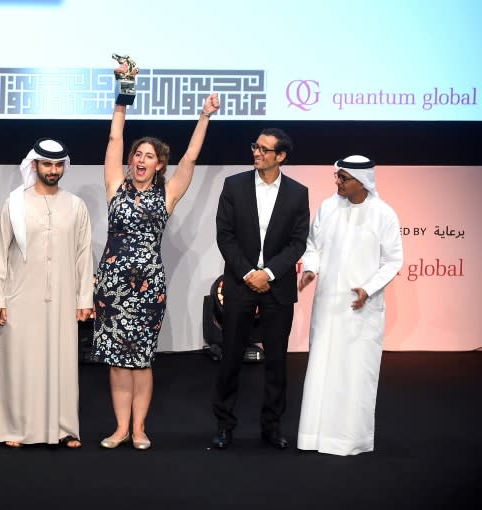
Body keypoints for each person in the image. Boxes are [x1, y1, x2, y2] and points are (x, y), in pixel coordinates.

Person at [92, 65, 220, 450]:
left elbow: (192, 159)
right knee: (117, 359)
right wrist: (123, 92)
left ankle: (140, 428)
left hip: (149, 288)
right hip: (112, 286)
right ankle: (119, 428)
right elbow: (115, 136)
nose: (141, 159)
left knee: (142, 358)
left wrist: (204, 117)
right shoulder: (115, 185)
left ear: (160, 164)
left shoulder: (167, 194)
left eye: (149, 156)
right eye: (138, 154)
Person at [0, 138, 93, 449]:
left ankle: (64, 428)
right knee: (19, 364)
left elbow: (83, 255)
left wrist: (83, 298)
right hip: (20, 297)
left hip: (62, 298)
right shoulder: (15, 204)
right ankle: (14, 428)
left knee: (62, 362)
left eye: (59, 164)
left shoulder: (75, 205)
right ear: (34, 165)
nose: (53, 170)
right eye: (47, 164)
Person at [297, 155, 403, 456]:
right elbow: (313, 246)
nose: (338, 182)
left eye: (343, 178)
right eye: (338, 177)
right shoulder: (328, 207)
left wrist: (368, 289)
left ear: (363, 181)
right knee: (322, 369)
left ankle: (350, 440)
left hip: (361, 310)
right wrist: (309, 269)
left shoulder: (384, 215)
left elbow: (393, 260)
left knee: (356, 374)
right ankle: (313, 437)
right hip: (328, 305)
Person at [211, 128, 309, 450]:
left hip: (277, 287)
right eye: (256, 146)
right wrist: (249, 273)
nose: (257, 153)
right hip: (240, 284)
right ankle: (224, 426)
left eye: (265, 150)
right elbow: (224, 235)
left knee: (277, 361)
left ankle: (272, 426)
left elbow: (297, 243)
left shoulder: (298, 193)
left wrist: (268, 273)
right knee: (231, 359)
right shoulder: (234, 185)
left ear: (281, 156)